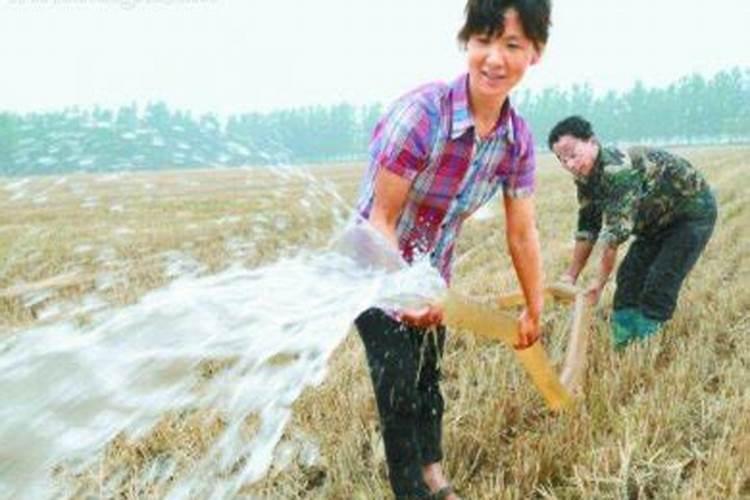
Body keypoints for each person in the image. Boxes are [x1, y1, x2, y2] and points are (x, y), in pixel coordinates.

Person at [353, 1, 550, 498]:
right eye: (483, 40)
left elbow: (522, 233)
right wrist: (402, 294)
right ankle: (411, 490)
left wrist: (534, 304)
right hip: (373, 266)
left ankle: (434, 472)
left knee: (428, 374)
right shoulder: (422, 114)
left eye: (511, 45)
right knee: (398, 383)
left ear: (535, 53)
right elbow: (382, 219)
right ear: (468, 43)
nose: (494, 58)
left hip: (430, 272)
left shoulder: (516, 141)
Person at [547, 115, 717, 349]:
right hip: (654, 222)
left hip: (689, 215)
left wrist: (598, 283)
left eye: (573, 154)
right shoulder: (586, 177)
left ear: (592, 142)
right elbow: (588, 226)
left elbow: (612, 239)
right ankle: (624, 340)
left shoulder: (618, 172)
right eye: (562, 160)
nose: (570, 165)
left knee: (660, 281)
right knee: (629, 278)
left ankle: (647, 343)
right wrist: (571, 275)